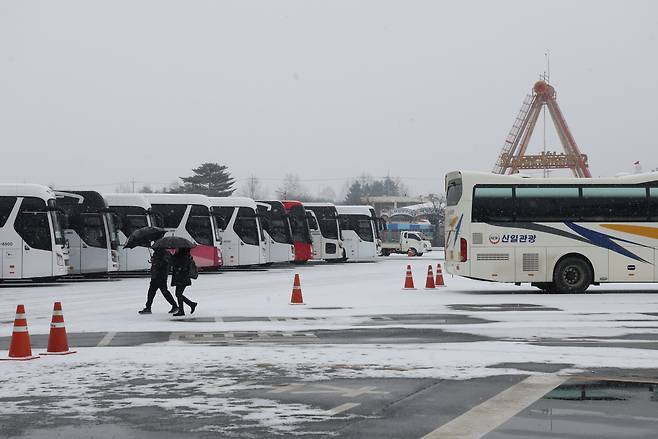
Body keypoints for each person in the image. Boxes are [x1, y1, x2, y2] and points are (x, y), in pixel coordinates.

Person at [139, 248, 178, 315]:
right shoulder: (157, 253)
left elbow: (165, 264)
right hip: (155, 276)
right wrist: (153, 261)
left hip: (161, 276)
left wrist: (155, 261)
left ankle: (174, 306)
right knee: (151, 292)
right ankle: (148, 307)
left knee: (164, 291)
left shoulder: (164, 253)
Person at [170, 248, 198, 317]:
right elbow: (173, 263)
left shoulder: (184, 256)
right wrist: (173, 256)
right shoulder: (180, 255)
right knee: (178, 294)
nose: (176, 249)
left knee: (178, 294)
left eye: (177, 249)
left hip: (182, 278)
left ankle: (183, 309)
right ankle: (190, 305)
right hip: (181, 278)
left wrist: (178, 268)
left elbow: (182, 266)